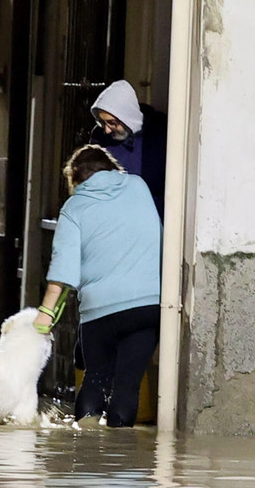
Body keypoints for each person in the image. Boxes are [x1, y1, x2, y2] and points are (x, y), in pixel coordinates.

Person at [33, 145, 161, 428]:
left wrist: (46, 312)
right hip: (147, 306)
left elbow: (64, 268)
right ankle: (118, 460)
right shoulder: (138, 186)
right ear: (112, 168)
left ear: (75, 180)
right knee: (128, 387)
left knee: (96, 379)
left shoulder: (74, 207)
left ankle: (88, 453)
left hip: (101, 313)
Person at [89, 80, 168, 216]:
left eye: (112, 123)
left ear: (127, 116)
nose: (107, 130)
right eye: (102, 122)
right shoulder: (100, 137)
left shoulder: (159, 134)